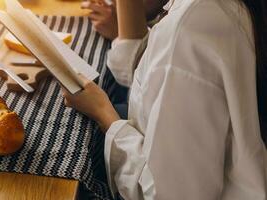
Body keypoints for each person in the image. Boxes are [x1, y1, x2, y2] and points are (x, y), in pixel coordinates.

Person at [62, 0, 267, 199]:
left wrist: (103, 112)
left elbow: (167, 195)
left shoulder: (191, 28)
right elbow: (151, 77)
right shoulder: (212, 12)